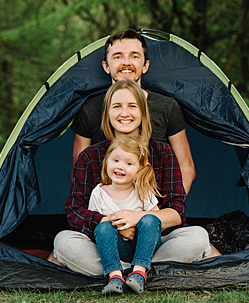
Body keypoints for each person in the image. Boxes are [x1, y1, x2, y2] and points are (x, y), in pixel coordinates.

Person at [50, 80, 212, 279]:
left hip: (153, 245)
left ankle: (132, 270)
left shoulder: (163, 153)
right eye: (117, 106)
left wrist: (137, 219)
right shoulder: (90, 157)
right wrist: (113, 223)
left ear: (143, 113)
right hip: (105, 243)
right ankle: (133, 272)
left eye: (132, 106)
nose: (124, 113)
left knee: (198, 237)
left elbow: (178, 211)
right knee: (63, 241)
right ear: (107, 114)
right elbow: (75, 210)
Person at [71, 29, 196, 193]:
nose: (126, 62)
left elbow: (186, 167)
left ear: (145, 66)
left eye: (134, 56)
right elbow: (78, 170)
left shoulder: (167, 107)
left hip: (155, 209)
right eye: (118, 56)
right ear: (106, 66)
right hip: (107, 211)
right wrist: (97, 213)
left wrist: (167, 210)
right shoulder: (89, 109)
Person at [91, 136, 162, 295]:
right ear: (107, 160)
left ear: (139, 168)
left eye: (129, 163)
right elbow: (96, 227)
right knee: (103, 226)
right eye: (115, 160)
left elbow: (157, 222)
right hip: (117, 247)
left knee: (150, 218)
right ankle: (115, 277)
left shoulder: (142, 191)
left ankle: (139, 273)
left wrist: (137, 222)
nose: (120, 167)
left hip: (143, 244)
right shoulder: (99, 192)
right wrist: (117, 228)